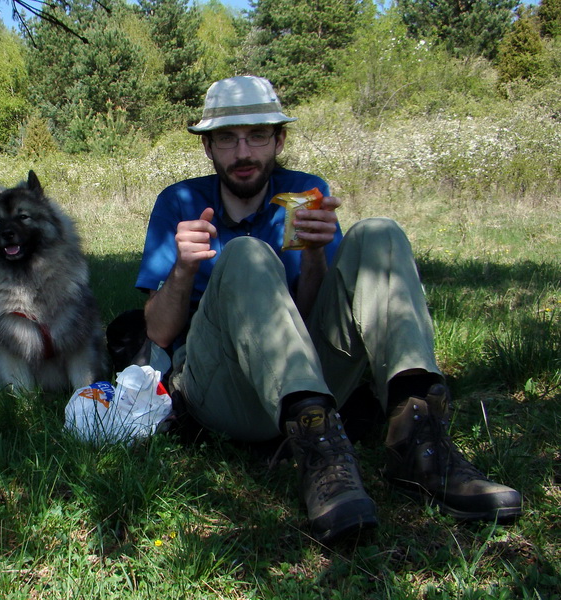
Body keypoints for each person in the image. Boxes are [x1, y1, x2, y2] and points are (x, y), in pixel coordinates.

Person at [135, 75, 522, 544]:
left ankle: (420, 441)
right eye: (227, 138)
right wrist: (181, 269)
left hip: (304, 381)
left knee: (379, 233)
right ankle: (320, 454)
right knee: (247, 254)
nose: (243, 152)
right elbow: (157, 332)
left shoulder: (305, 193)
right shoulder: (180, 202)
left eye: (257, 135)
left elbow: (307, 320)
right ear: (208, 148)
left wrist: (316, 256)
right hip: (220, 389)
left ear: (279, 140)